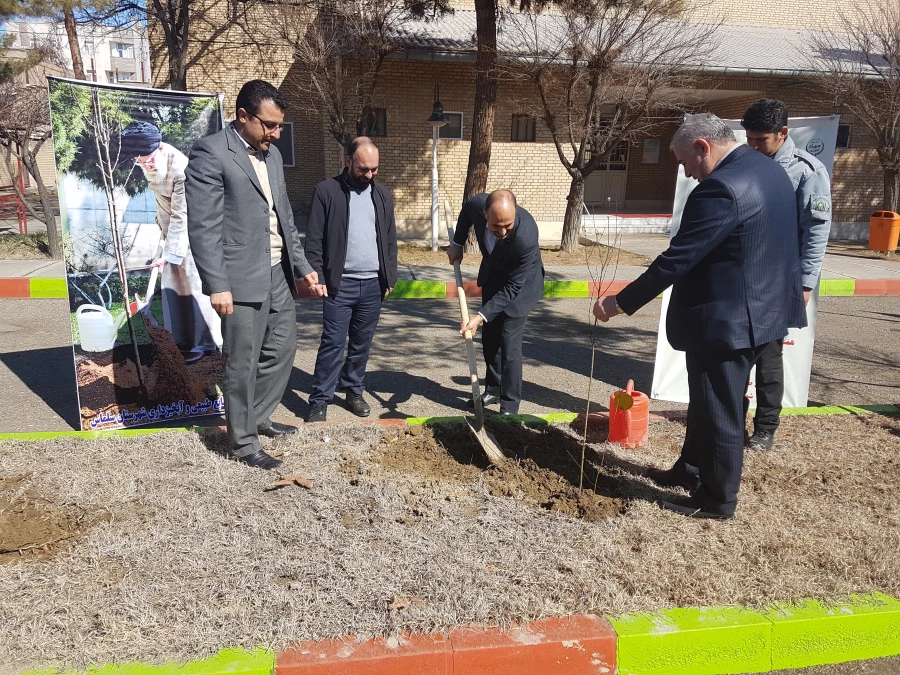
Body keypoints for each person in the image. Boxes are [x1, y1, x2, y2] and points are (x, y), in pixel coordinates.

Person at [593, 113, 806, 519]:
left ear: (703, 147)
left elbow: (678, 259)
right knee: (708, 402)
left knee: (720, 411)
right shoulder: (768, 169)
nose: (686, 172)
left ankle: (716, 500)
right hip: (765, 312)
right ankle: (689, 469)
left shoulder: (721, 188)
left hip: (729, 321)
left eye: (684, 161)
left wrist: (619, 302)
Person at [186, 80, 325, 470]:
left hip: (277, 271)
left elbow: (283, 217)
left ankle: (258, 416)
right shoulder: (211, 153)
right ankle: (243, 442)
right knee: (241, 361)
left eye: (280, 126)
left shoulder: (273, 156)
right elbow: (204, 226)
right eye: (269, 125)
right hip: (239, 277)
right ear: (243, 116)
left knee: (281, 350)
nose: (276, 134)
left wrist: (303, 267)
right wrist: (218, 284)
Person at [740, 98, 833, 451]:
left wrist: (805, 283)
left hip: (779, 280)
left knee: (767, 357)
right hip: (743, 275)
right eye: (749, 139)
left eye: (760, 140)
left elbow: (816, 233)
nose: (753, 146)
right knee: (736, 354)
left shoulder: (807, 171)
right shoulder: (745, 161)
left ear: (782, 133)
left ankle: (765, 429)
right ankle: (733, 420)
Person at [304, 137, 398, 423]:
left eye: (374, 169)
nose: (369, 174)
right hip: (339, 285)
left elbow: (390, 239)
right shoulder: (326, 191)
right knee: (332, 343)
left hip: (373, 285)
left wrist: (389, 277)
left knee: (361, 343)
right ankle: (320, 399)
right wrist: (317, 276)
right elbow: (314, 239)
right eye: (363, 169)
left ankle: (353, 390)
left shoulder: (382, 195)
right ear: (348, 161)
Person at [119, 122, 221, 364]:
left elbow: (181, 214)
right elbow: (164, 207)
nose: (147, 166)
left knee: (194, 287)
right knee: (173, 287)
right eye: (141, 162)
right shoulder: (154, 165)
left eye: (149, 160)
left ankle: (204, 343)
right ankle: (179, 342)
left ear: (161, 148)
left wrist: (169, 253)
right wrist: (164, 245)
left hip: (195, 235)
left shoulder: (181, 169)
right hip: (172, 235)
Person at [447, 190, 544, 415]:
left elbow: (512, 288)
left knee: (509, 344)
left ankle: (509, 404)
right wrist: (457, 243)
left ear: (515, 211)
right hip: (494, 275)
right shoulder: (477, 204)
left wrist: (479, 317)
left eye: (507, 226)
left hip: (521, 287)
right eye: (495, 227)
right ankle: (493, 389)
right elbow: (466, 212)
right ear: (484, 214)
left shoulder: (526, 237)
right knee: (490, 339)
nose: (502, 232)